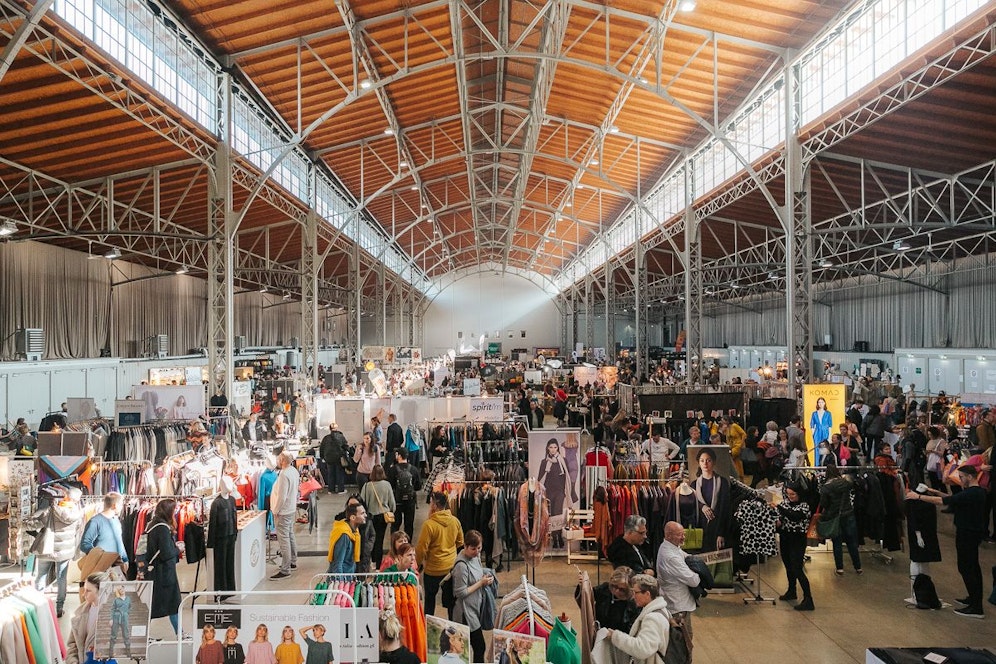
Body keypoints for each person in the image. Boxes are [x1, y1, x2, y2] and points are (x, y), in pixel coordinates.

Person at [907, 464, 987, 618]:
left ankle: (976, 607)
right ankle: (973, 599)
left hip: (967, 534)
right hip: (971, 533)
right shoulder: (976, 492)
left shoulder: (972, 494)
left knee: (967, 568)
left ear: (969, 477)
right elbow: (953, 499)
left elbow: (943, 502)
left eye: (962, 477)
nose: (960, 480)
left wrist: (918, 496)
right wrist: (936, 492)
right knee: (972, 567)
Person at [31, 487, 83, 617]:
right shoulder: (77, 514)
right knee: (61, 579)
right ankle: (59, 608)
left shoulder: (52, 510)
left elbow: (37, 524)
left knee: (41, 576)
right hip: (64, 551)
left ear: (65, 496)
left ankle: (37, 605)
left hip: (46, 549)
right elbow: (77, 531)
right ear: (77, 500)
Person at [415, 491, 464, 616]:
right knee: (450, 602)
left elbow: (421, 548)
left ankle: (428, 628)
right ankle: (453, 626)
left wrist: (418, 564)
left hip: (433, 569)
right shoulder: (455, 521)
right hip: (450, 568)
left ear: (435, 505)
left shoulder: (429, 525)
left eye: (431, 503)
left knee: (430, 602)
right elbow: (460, 543)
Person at [602, 574, 670, 664]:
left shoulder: (653, 618)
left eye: (636, 592)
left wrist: (615, 636)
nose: (633, 596)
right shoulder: (661, 610)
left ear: (647, 594)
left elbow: (642, 649)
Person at [142, 498, 184, 633]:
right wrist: (178, 549)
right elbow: (166, 553)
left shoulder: (151, 524)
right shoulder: (163, 528)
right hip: (164, 573)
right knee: (173, 603)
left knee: (153, 606)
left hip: (154, 572)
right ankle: (180, 633)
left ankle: (144, 634)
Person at [452, 529, 494, 663]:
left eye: (479, 548)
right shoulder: (461, 566)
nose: (477, 552)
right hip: (466, 613)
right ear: (465, 546)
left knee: (471, 648)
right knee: (478, 646)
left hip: (474, 608)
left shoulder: (475, 557)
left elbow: (477, 573)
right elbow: (460, 592)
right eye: (473, 548)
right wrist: (481, 583)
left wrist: (485, 578)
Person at [655, 522, 700, 641]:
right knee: (684, 644)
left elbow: (686, 556)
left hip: (677, 603)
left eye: (683, 534)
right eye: (680, 535)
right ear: (669, 535)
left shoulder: (670, 547)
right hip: (678, 609)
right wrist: (700, 572)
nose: (683, 537)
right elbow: (694, 581)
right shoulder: (671, 557)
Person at [819, 464, 863, 576]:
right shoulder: (846, 482)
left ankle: (840, 568)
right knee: (852, 542)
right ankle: (858, 567)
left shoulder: (826, 487)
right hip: (848, 514)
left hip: (834, 517)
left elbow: (824, 504)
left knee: (837, 543)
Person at [776, 483, 814, 610]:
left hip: (797, 539)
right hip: (785, 538)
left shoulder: (804, 506)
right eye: (788, 494)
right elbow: (781, 518)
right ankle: (791, 590)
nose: (790, 496)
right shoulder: (785, 504)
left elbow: (795, 517)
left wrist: (779, 508)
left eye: (793, 494)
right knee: (788, 565)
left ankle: (808, 598)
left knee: (797, 568)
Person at [575, 565, 639, 633]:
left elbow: (632, 632)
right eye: (615, 586)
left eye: (622, 589)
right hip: (600, 634)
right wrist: (582, 585)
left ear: (630, 589)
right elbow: (586, 599)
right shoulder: (605, 589)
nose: (616, 591)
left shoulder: (635, 604)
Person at [537, 438, 575, 549]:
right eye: (551, 447)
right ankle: (555, 538)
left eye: (555, 447)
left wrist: (565, 492)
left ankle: (558, 538)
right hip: (548, 492)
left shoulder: (563, 461)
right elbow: (540, 479)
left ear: (558, 448)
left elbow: (567, 477)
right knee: (551, 515)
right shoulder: (544, 462)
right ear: (547, 448)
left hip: (559, 492)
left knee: (558, 514)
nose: (553, 450)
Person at [80, 492, 129, 573]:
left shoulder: (116, 520)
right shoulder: (95, 522)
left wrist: (125, 559)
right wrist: (101, 557)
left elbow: (119, 541)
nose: (121, 507)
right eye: (121, 504)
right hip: (99, 569)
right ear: (115, 505)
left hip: (116, 566)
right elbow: (84, 544)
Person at [692, 448, 731, 551]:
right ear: (699, 463)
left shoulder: (722, 482)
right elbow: (693, 505)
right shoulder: (694, 484)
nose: (705, 463)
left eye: (708, 460)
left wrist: (721, 533)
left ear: (713, 462)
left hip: (717, 529)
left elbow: (725, 509)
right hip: (700, 530)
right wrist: (702, 507)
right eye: (702, 460)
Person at [270, 451, 300, 579]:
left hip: (283, 511)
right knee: (290, 535)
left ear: (283, 461)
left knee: (284, 539)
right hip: (291, 509)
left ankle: (285, 568)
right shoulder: (294, 471)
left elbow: (282, 496)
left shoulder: (284, 474)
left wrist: (276, 510)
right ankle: (292, 561)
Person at [66, 572, 108, 664]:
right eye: (84, 589)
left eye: (88, 591)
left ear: (100, 591)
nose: (83, 594)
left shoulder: (112, 616)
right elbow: (72, 645)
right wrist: (73, 661)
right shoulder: (80, 613)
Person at [360, 464, 396, 568]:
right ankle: (378, 566)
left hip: (370, 516)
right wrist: (391, 511)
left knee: (371, 539)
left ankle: (373, 561)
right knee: (379, 540)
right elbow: (392, 502)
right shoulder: (387, 485)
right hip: (382, 516)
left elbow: (362, 501)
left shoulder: (367, 486)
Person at [388, 448, 422, 539]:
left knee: (395, 525)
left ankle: (394, 546)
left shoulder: (392, 470)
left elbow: (389, 486)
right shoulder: (414, 469)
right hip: (410, 501)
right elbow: (418, 486)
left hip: (397, 500)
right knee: (409, 525)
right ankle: (407, 547)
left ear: (399, 456)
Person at [327, 501, 367, 574]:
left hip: (349, 577)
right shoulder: (344, 535)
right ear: (352, 517)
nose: (366, 515)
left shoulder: (354, 531)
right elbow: (338, 564)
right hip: (341, 580)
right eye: (362, 513)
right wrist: (340, 583)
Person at [319, 422, 348, 494]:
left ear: (330, 429)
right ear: (336, 428)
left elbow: (322, 448)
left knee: (330, 474)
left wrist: (322, 457)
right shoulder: (341, 436)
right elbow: (345, 446)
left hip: (328, 459)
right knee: (339, 473)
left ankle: (330, 490)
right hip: (338, 458)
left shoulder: (326, 438)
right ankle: (340, 490)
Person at [108, 586, 133, 659]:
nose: (121, 590)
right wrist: (111, 619)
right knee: (113, 635)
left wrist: (127, 613)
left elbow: (130, 607)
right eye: (119, 590)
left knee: (126, 634)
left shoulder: (128, 599)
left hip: (124, 618)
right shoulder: (116, 599)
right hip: (116, 617)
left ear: (124, 589)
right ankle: (111, 652)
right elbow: (112, 609)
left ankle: (128, 651)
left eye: (122, 589)